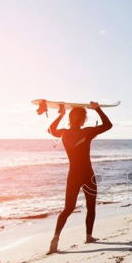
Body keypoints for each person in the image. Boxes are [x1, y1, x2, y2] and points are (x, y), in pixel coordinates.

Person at [47, 101, 112, 253]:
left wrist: (60, 114)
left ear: (70, 118)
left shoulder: (63, 133)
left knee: (68, 208)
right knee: (90, 206)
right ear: (84, 119)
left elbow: (50, 129)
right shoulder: (87, 132)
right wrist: (98, 109)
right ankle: (89, 236)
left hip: (73, 175)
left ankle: (56, 237)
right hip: (87, 174)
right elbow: (108, 125)